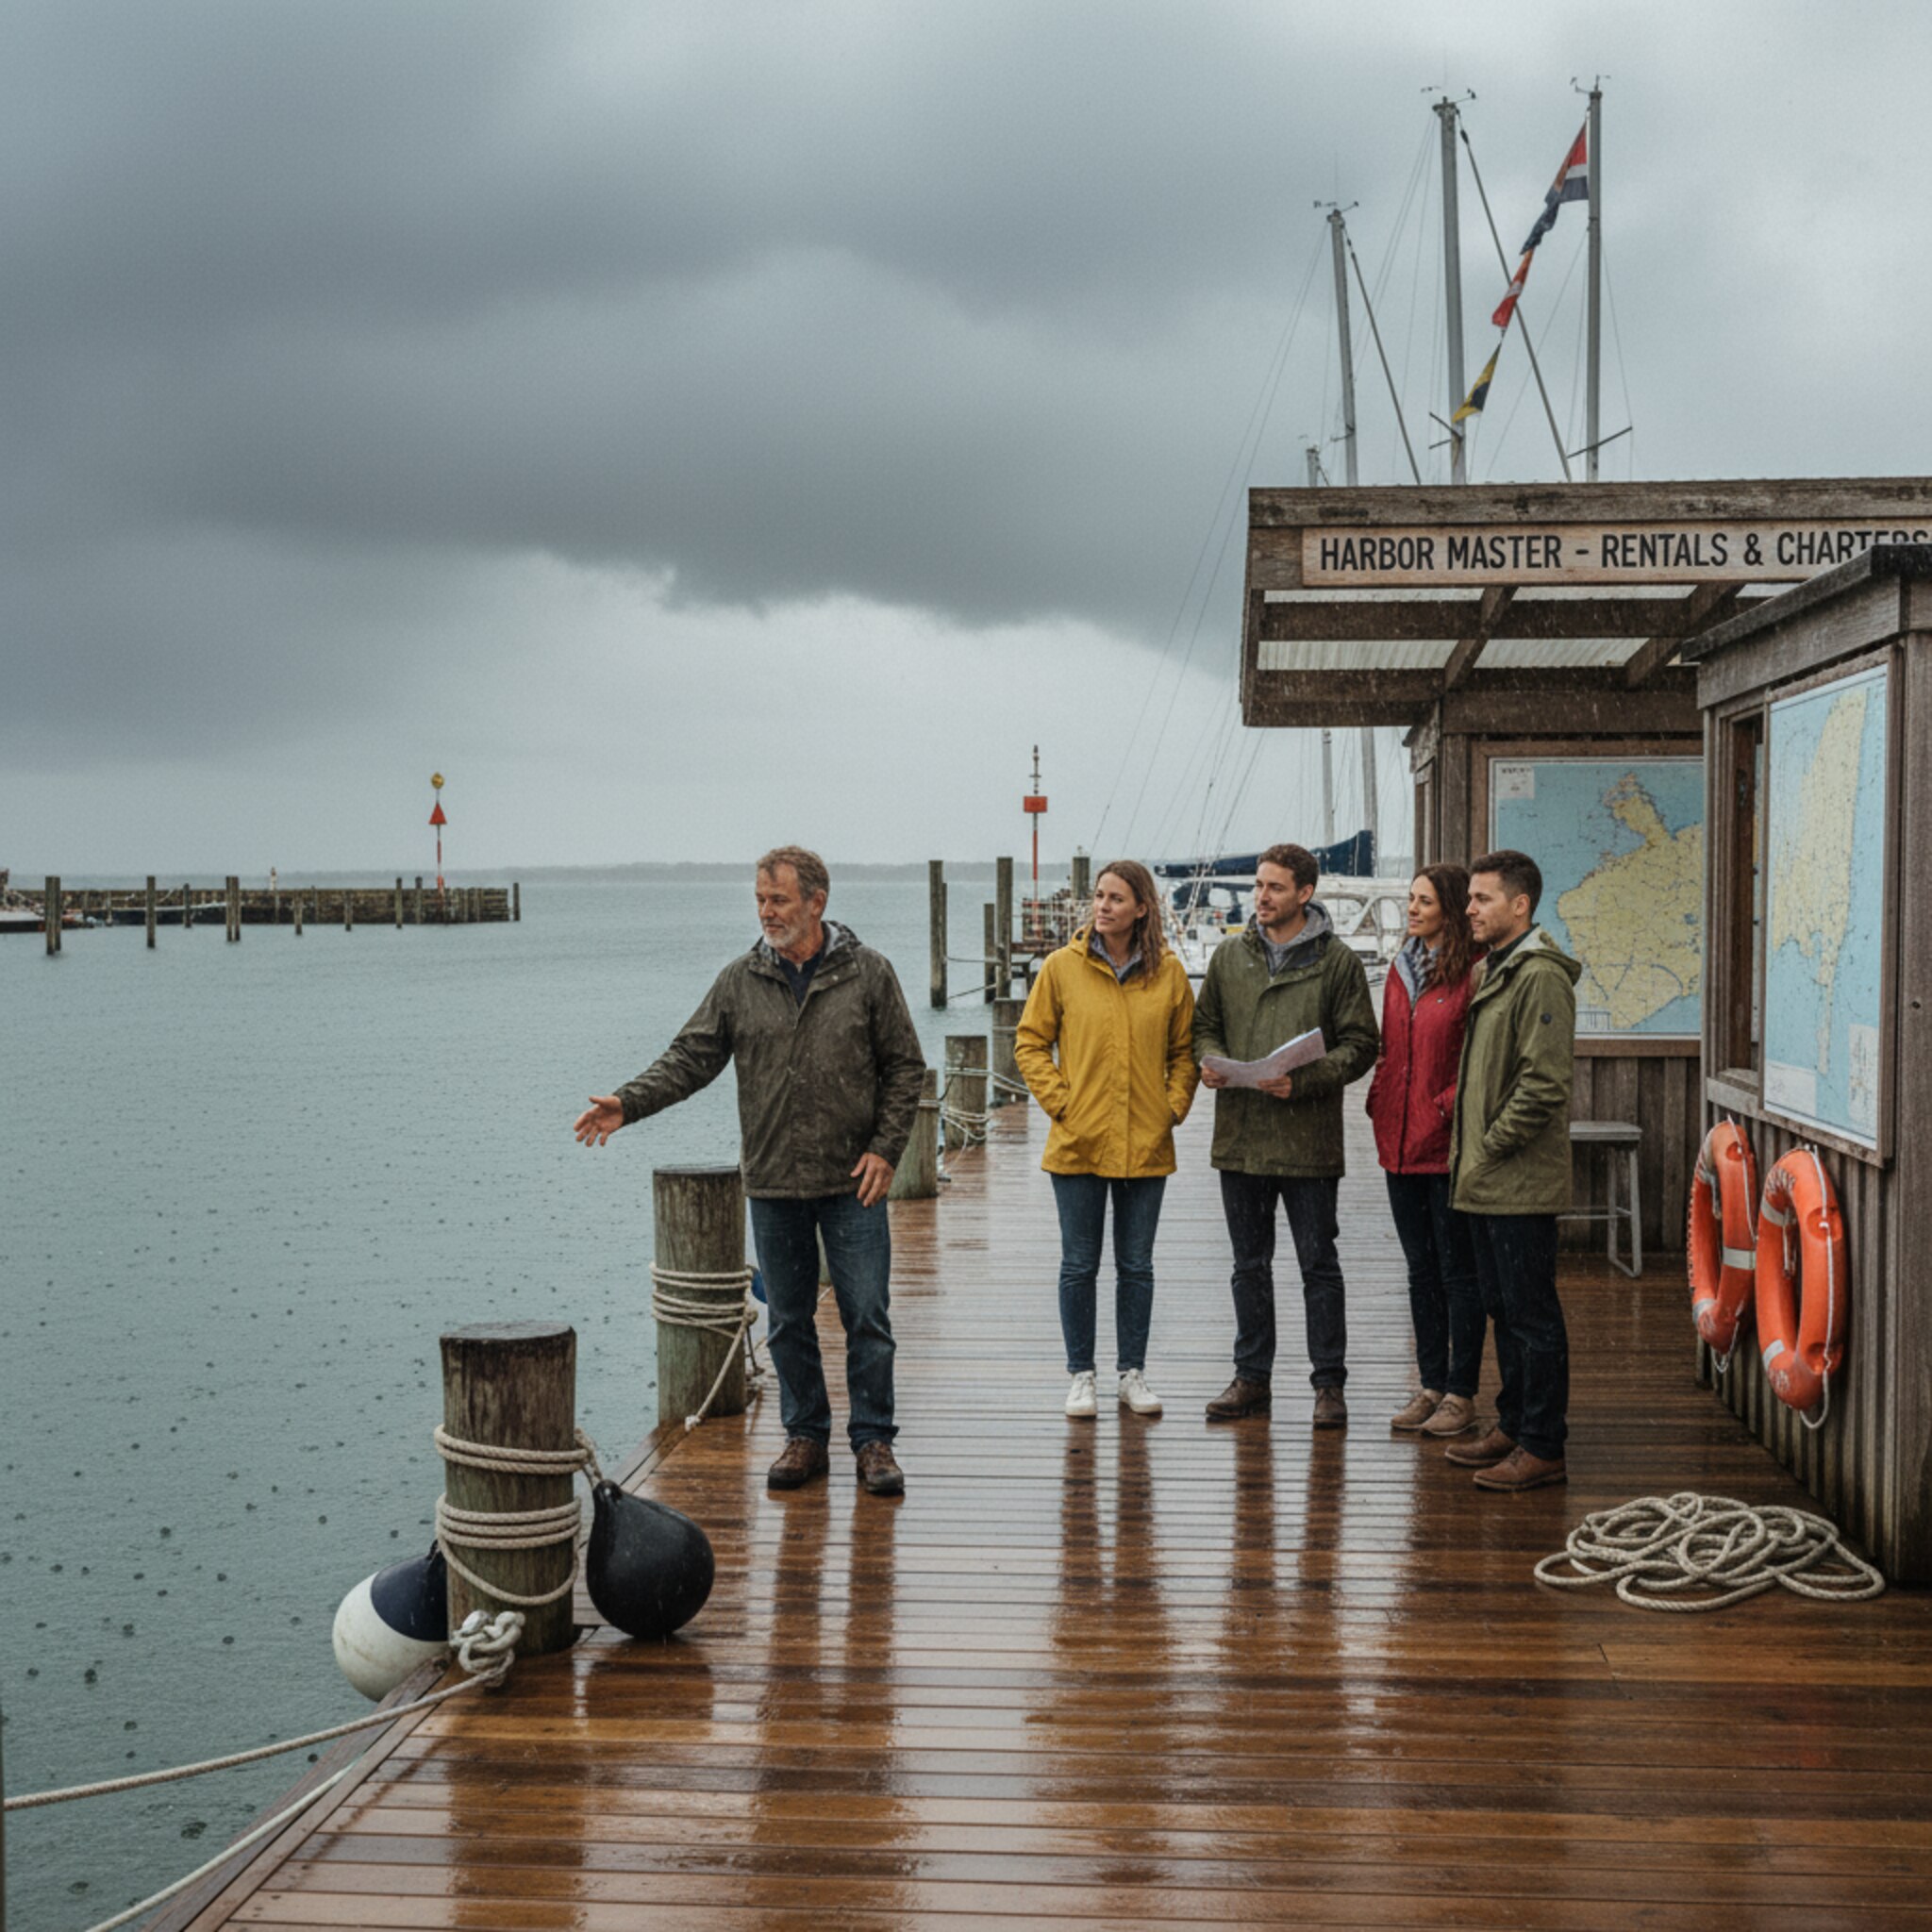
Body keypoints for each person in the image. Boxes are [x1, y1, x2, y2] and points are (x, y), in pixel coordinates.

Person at [573, 846, 925, 1497]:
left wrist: (886, 1148)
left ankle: (874, 1440)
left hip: (854, 1180)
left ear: (816, 902)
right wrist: (629, 1102)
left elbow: (906, 1066)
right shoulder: (741, 980)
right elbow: (690, 1058)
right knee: (787, 1321)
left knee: (867, 1318)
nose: (767, 912)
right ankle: (805, 1436)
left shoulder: (869, 973)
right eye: (761, 900)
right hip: (772, 1180)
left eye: (779, 900)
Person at [1192, 843, 1379, 1427]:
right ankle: (1251, 1379)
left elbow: (1361, 1045)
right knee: (1248, 1266)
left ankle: (1329, 1386)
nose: (1262, 897)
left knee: (1318, 1264)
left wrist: (1304, 1081)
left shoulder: (1338, 963)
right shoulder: (1229, 956)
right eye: (1258, 886)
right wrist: (1210, 1062)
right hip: (1242, 1138)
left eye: (1274, 887)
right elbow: (1204, 1026)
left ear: (1305, 893)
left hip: (1308, 1141)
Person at [1015, 859, 1199, 1420]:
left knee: (1136, 1265)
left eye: (1116, 898)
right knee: (1079, 1264)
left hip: (1146, 1141)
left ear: (1142, 908)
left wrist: (1172, 1108)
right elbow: (1030, 1042)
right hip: (1079, 1142)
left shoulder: (1169, 974)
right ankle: (1082, 1375)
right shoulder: (1061, 968)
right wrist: (1062, 1103)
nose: (1103, 906)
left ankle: (1131, 1373)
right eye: (1099, 896)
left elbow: (1184, 1053)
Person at [1443, 849, 1580, 1492]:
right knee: (1502, 1307)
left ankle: (1543, 1445)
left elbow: (1544, 1083)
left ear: (1520, 905)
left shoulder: (1540, 976)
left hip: (1516, 1181)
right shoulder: (1492, 969)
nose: (1468, 909)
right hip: (1485, 1180)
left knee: (1531, 1314)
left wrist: (1491, 1145)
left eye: (1482, 899)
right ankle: (1514, 1424)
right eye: (1469, 898)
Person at [1365, 865, 1486, 1439]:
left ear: (1452, 909)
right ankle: (1431, 1385)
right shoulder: (1400, 969)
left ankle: (1462, 1393)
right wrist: (1380, 1097)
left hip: (1445, 1145)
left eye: (1425, 901)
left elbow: (1477, 1061)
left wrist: (1442, 1107)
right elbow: (1390, 1049)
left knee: (1458, 1272)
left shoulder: (1473, 973)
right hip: (1398, 1142)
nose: (1412, 909)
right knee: (1421, 1271)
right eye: (1411, 899)